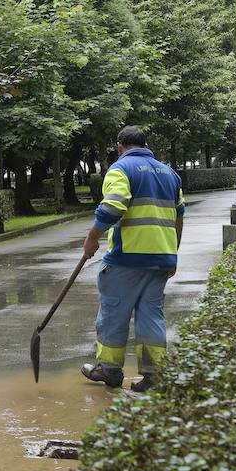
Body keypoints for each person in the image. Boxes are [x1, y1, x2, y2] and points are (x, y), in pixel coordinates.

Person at [81, 126, 185, 392]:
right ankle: (153, 376)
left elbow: (114, 206)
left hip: (127, 259)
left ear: (119, 147)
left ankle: (110, 370)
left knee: (114, 312)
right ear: (145, 144)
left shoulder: (121, 169)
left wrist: (93, 236)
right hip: (161, 258)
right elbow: (179, 216)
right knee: (151, 314)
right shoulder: (169, 173)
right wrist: (172, 253)